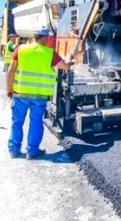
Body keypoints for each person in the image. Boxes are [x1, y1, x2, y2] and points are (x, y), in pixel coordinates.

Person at [6, 27, 73, 159]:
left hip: (20, 94)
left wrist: (9, 89)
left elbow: (11, 71)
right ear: (44, 38)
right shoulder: (50, 53)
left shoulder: (21, 49)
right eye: (47, 37)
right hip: (39, 96)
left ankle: (14, 150)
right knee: (36, 122)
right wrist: (70, 60)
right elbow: (65, 66)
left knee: (17, 122)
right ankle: (31, 152)